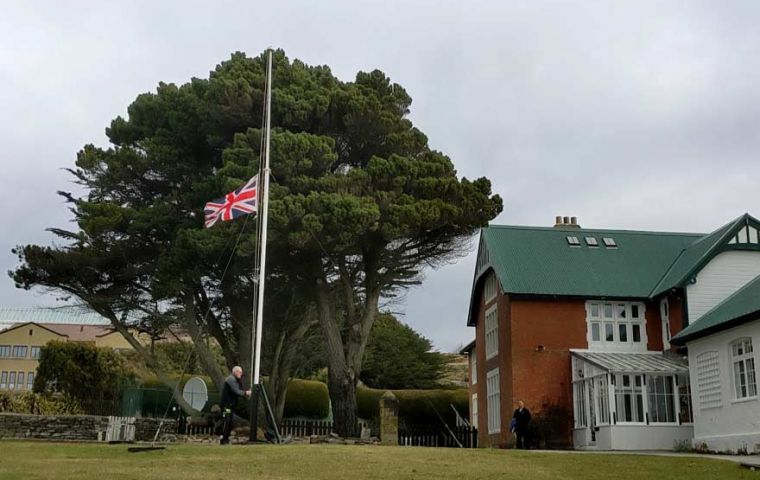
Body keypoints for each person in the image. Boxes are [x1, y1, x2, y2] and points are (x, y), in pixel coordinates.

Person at [219, 366, 251, 445]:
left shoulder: (235, 380)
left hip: (230, 405)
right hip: (227, 405)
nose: (241, 374)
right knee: (227, 420)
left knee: (229, 421)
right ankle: (223, 438)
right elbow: (236, 391)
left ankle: (225, 438)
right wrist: (246, 393)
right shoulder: (231, 380)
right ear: (235, 372)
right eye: (240, 372)